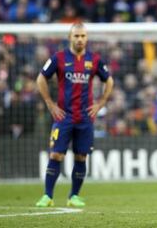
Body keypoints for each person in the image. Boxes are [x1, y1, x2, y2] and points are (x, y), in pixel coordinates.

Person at [35, 22, 114, 207]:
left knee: (81, 157)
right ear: (70, 37)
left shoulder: (94, 60)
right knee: (56, 155)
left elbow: (109, 80)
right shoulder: (59, 57)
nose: (80, 39)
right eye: (76, 36)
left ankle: (74, 196)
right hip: (64, 117)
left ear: (86, 38)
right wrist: (50, 103)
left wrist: (101, 102)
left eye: (83, 36)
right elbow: (41, 78)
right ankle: (48, 196)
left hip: (85, 118)